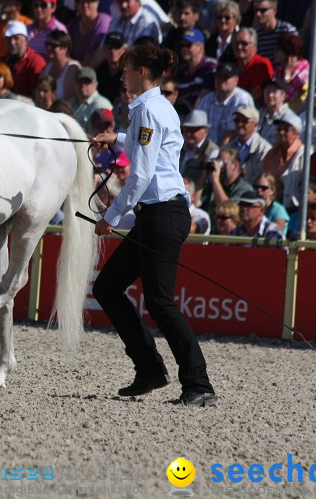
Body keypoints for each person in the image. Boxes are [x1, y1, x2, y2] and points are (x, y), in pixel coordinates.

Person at [90, 43, 216, 407]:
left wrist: (110, 218)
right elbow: (152, 149)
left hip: (162, 214)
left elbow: (142, 174)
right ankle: (149, 369)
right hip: (156, 213)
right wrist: (117, 137)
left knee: (160, 302)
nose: (122, 75)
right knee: (109, 287)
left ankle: (199, 384)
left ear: (141, 72)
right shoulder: (157, 107)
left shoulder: (147, 111)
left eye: (126, 69)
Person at [195, 62, 253, 145]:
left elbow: (233, 133)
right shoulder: (207, 99)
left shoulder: (242, 99)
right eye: (218, 76)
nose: (221, 80)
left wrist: (218, 153)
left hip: (232, 150)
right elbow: (197, 125)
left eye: (225, 77)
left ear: (236, 80)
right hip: (206, 148)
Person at [260, 110, 305, 211]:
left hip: (294, 208)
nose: (281, 132)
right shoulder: (271, 153)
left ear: (296, 133)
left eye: (285, 129)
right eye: (279, 129)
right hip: (270, 205)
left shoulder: (305, 154)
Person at [225, 105, 271, 186]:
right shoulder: (229, 147)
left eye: (244, 121)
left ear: (255, 125)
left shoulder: (264, 149)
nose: (239, 124)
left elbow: (260, 178)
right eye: (236, 120)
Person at [3, 20, 46, 97]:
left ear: (26, 39)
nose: (12, 42)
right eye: (8, 39)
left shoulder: (35, 62)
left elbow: (38, 95)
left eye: (16, 38)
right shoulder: (3, 60)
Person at [179, 109, 218, 183]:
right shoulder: (179, 146)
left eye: (193, 130)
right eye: (186, 129)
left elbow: (207, 182)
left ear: (206, 131)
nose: (189, 134)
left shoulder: (212, 151)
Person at [40, 30, 80, 103]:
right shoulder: (46, 68)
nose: (49, 48)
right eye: (47, 44)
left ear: (65, 49)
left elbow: (69, 102)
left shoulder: (72, 68)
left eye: (53, 46)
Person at [71, 66, 113, 135]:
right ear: (75, 84)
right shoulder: (70, 103)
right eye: (80, 82)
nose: (83, 85)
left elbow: (106, 134)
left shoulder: (102, 105)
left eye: (87, 82)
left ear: (95, 85)